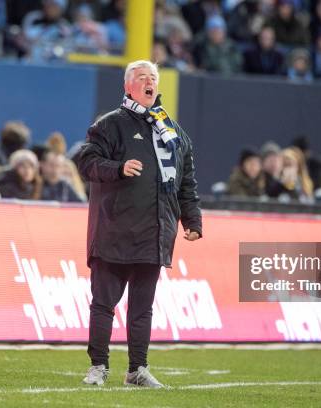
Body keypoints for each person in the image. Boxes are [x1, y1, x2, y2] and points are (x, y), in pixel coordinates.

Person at [74, 60, 202, 388]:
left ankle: (137, 369)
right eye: (142, 78)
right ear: (128, 87)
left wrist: (192, 219)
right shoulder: (110, 124)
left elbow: (186, 180)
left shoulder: (173, 132)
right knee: (104, 303)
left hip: (155, 233)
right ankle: (98, 366)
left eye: (153, 78)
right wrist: (117, 168)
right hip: (114, 230)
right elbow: (86, 161)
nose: (149, 82)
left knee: (142, 308)